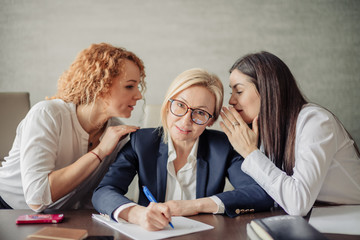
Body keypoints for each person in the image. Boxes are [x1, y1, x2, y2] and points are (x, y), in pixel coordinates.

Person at [92, 68, 273, 231]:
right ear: (167, 105)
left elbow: (260, 193)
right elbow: (104, 191)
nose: (186, 121)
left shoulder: (223, 146)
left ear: (211, 120)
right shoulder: (141, 142)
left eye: (200, 112)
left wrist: (193, 206)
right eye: (180, 105)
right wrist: (136, 214)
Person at [0, 43, 146, 211]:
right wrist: (99, 152)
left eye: (138, 86)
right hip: (7, 210)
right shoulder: (47, 114)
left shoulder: (116, 133)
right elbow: (36, 198)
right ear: (99, 84)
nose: (139, 95)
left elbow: (93, 196)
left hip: (56, 219)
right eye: (129, 86)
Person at [220, 51, 360, 216]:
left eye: (239, 91)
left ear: (267, 89)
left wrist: (249, 152)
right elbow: (268, 194)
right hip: (317, 216)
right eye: (232, 92)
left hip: (349, 217)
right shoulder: (267, 131)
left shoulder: (316, 122)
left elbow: (297, 203)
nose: (231, 101)